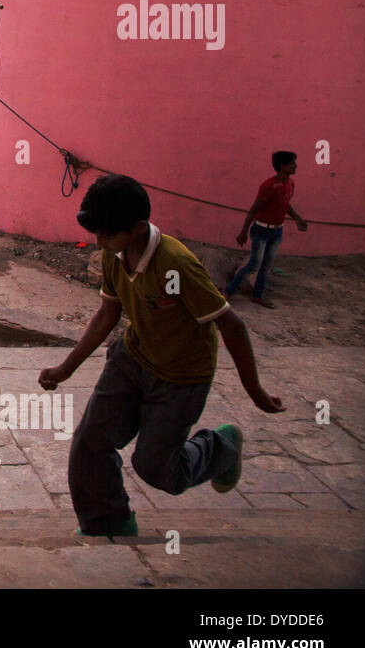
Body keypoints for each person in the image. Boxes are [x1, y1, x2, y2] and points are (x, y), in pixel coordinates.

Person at [39, 175, 284, 537]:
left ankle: (220, 447)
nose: (100, 243)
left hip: (181, 378)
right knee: (90, 443)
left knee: (155, 469)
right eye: (97, 234)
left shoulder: (176, 266)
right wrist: (65, 368)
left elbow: (231, 325)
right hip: (131, 359)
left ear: (138, 228)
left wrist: (255, 392)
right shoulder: (114, 255)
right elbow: (108, 313)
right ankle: (111, 523)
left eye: (107, 235)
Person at [224, 150, 308, 308]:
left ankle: (258, 295)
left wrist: (297, 218)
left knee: (266, 266)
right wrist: (243, 232)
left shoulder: (290, 183)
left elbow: (285, 204)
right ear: (282, 166)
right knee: (254, 265)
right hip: (261, 231)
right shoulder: (269, 186)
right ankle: (228, 292)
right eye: (292, 163)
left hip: (277, 231)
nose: (295, 166)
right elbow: (254, 210)